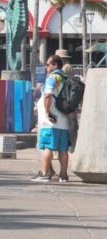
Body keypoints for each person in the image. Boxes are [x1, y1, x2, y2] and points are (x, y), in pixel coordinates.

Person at [31, 55, 71, 183]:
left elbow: (48, 95)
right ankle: (63, 175)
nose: (46, 67)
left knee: (48, 146)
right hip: (63, 118)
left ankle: (44, 173)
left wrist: (48, 112)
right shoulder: (66, 78)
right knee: (63, 149)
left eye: (48, 65)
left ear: (55, 65)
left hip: (51, 120)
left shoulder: (52, 78)